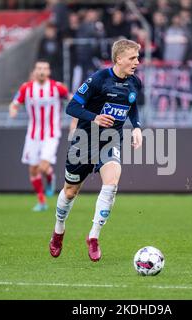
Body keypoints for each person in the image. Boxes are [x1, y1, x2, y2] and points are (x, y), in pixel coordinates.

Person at [48, 39, 143, 262]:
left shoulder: (134, 82)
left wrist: (136, 128)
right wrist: (95, 117)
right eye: (132, 58)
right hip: (84, 141)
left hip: (111, 141)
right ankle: (59, 230)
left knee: (111, 184)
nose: (137, 62)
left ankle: (93, 237)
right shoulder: (98, 79)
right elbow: (72, 106)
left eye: (137, 58)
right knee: (70, 192)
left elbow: (132, 105)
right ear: (118, 59)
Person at [9, 60, 69, 211]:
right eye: (39, 68)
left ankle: (49, 177)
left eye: (44, 68)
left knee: (43, 167)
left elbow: (73, 99)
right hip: (33, 135)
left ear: (49, 72)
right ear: (35, 71)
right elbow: (15, 102)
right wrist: (13, 109)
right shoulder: (26, 88)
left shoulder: (57, 87)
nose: (41, 71)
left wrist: (75, 119)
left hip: (51, 134)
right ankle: (41, 201)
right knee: (33, 169)